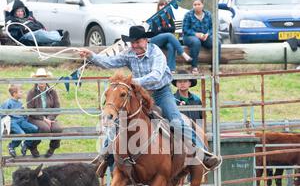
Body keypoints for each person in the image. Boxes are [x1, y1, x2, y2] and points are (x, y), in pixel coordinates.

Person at [79, 25, 221, 177]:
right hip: (140, 94)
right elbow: (110, 62)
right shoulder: (129, 54)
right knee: (119, 122)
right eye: (132, 43)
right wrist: (91, 56)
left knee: (176, 120)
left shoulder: (156, 53)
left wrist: (132, 82)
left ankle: (203, 153)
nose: (135, 45)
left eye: (138, 42)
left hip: (161, 93)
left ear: (146, 40)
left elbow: (156, 76)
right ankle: (103, 157)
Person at [172, 70, 203, 186]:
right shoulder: (172, 100)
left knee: (194, 169)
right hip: (177, 136)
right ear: (176, 84)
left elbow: (200, 119)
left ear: (190, 83)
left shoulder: (196, 100)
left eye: (185, 81)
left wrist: (200, 136)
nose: (182, 83)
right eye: (179, 81)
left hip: (193, 135)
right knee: (175, 170)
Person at [26, 68, 63, 158]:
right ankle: (32, 145)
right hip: (35, 118)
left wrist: (49, 119)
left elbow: (57, 107)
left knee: (58, 129)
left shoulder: (52, 92)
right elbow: (30, 109)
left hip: (50, 117)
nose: (41, 81)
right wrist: (43, 119)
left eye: (43, 78)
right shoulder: (31, 92)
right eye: (39, 78)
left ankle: (52, 148)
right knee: (45, 129)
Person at [150, 0, 191, 72]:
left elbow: (173, 29)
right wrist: (165, 30)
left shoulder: (169, 17)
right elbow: (155, 32)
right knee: (169, 35)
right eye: (161, 5)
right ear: (158, 7)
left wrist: (162, 29)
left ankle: (170, 69)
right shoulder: (155, 17)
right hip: (155, 40)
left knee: (171, 46)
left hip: (166, 40)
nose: (163, 7)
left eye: (165, 5)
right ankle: (182, 53)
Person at [5, 0, 71, 46]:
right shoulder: (12, 20)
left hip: (36, 32)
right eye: (18, 11)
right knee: (39, 34)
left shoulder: (30, 18)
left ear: (24, 11)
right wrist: (22, 28)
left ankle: (60, 41)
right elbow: (11, 29)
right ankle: (61, 39)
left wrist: (41, 28)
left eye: (21, 11)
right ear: (15, 12)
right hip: (24, 36)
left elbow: (39, 25)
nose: (20, 13)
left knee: (51, 32)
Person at [182, 0, 221, 75]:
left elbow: (212, 27)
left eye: (198, 4)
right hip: (189, 37)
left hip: (204, 37)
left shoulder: (208, 14)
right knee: (196, 42)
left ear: (202, 5)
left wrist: (208, 34)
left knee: (217, 42)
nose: (196, 6)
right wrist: (196, 34)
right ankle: (194, 67)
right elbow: (185, 29)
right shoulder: (188, 15)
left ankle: (215, 67)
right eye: (194, 4)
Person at [1, 84, 38, 158]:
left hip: (21, 121)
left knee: (34, 129)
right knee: (21, 134)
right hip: (13, 122)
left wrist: (25, 115)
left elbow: (23, 114)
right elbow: (2, 113)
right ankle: (11, 146)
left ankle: (26, 144)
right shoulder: (8, 103)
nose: (22, 93)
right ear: (14, 94)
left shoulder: (20, 103)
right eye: (20, 92)